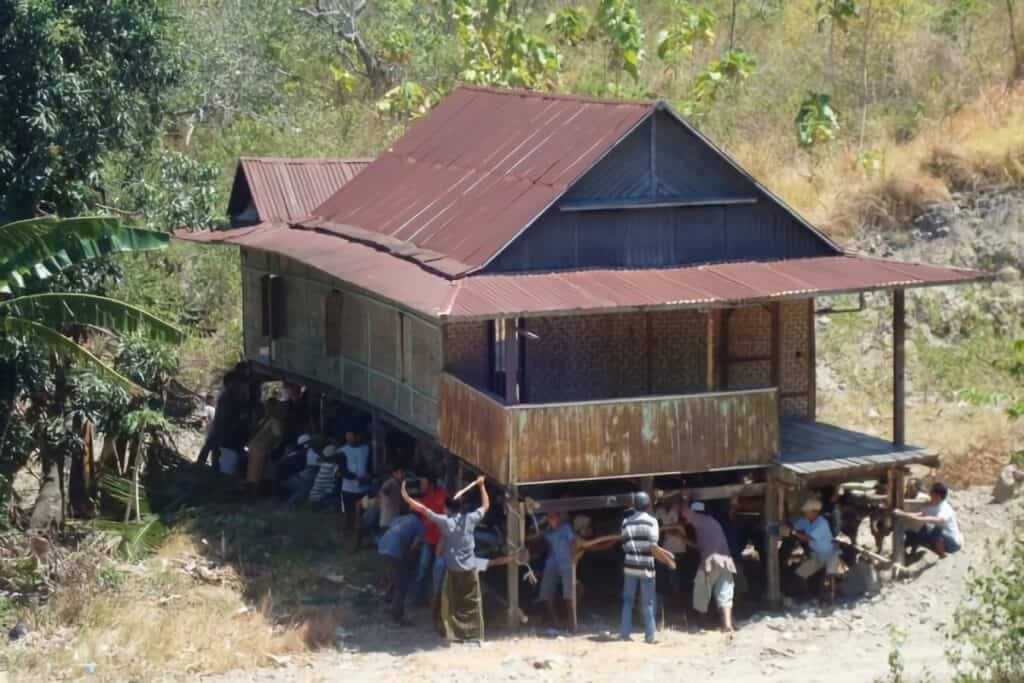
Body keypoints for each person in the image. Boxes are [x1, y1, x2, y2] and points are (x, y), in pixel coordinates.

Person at [401, 476, 497, 641]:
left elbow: (423, 510)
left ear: (447, 509)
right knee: (472, 602)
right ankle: (475, 634)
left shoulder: (444, 522)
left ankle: (452, 632)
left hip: (452, 569)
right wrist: (482, 486)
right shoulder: (470, 519)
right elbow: (486, 505)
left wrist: (406, 497)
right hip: (470, 568)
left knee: (451, 602)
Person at [681, 501, 737, 633]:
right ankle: (727, 625)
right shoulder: (712, 524)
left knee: (701, 593)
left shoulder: (700, 519)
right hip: (726, 562)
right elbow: (701, 546)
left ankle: (701, 624)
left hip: (710, 563)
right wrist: (684, 539)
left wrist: (683, 497)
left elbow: (684, 511)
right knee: (725, 594)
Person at [620, 491, 659, 644]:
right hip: (647, 567)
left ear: (634, 505)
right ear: (648, 505)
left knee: (627, 601)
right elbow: (654, 546)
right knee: (648, 602)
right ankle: (650, 636)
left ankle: (625, 634)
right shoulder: (652, 522)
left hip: (630, 567)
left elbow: (624, 546)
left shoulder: (625, 522)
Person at [377, 512, 425, 625]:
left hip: (381, 546)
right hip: (394, 551)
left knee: (393, 576)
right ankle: (397, 616)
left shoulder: (400, 518)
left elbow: (391, 531)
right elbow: (415, 545)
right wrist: (410, 554)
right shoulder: (419, 524)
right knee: (402, 585)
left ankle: (389, 601)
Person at [894, 481, 963, 559]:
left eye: (931, 492)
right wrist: (903, 514)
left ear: (937, 495)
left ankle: (942, 555)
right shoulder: (930, 505)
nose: (929, 493)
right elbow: (919, 514)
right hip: (943, 540)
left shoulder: (944, 509)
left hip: (953, 544)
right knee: (918, 533)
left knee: (937, 530)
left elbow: (930, 519)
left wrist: (903, 514)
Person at [540, 511, 577, 632]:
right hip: (552, 563)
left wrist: (572, 559)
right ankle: (556, 621)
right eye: (550, 518)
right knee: (546, 591)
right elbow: (542, 544)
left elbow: (573, 542)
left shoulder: (566, 528)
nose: (552, 520)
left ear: (558, 518)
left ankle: (572, 624)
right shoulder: (547, 532)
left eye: (554, 517)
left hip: (566, 563)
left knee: (569, 593)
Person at [414, 478, 449, 606]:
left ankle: (436, 599)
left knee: (438, 569)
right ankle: (419, 599)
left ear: (431, 484)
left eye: (423, 483)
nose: (421, 486)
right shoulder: (422, 500)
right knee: (422, 568)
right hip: (428, 541)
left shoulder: (443, 495)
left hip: (441, 541)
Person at [792, 497, 840, 589]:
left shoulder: (821, 523)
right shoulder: (805, 521)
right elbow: (795, 525)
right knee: (800, 574)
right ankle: (807, 595)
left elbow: (808, 538)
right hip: (817, 555)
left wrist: (793, 533)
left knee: (830, 577)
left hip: (830, 554)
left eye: (807, 511)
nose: (805, 513)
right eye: (805, 511)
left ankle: (831, 598)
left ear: (815, 512)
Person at [340, 429, 371, 534]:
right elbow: (342, 471)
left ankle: (359, 535)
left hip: (364, 490)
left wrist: (369, 476)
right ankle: (347, 535)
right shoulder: (342, 451)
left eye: (352, 437)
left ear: (358, 436)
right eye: (347, 437)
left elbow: (371, 466)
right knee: (349, 515)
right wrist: (357, 478)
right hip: (348, 489)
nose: (349, 440)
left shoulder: (367, 449)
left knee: (363, 516)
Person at [378, 463, 405, 530]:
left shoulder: (398, 485)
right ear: (394, 474)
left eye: (403, 473)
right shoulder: (391, 482)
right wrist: (388, 501)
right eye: (400, 473)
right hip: (387, 521)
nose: (402, 475)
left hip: (393, 521)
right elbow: (382, 491)